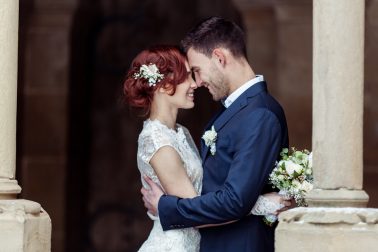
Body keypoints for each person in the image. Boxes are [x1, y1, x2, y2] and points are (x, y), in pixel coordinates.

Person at [141, 17, 289, 252]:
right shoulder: (230, 111)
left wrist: (165, 207)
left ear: (220, 58)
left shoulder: (260, 114)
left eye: (197, 71)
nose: (197, 83)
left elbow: (235, 201)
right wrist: (263, 203)